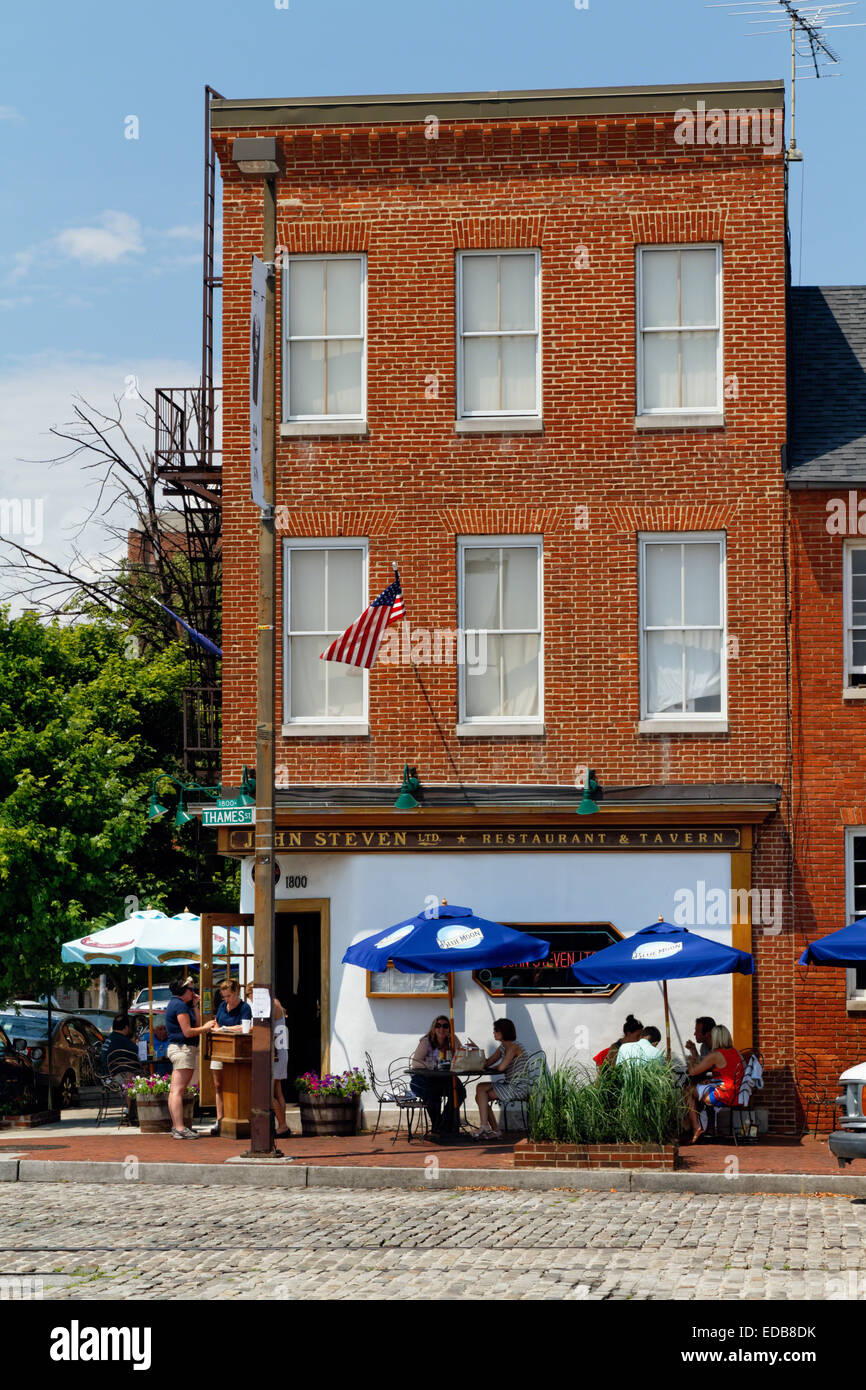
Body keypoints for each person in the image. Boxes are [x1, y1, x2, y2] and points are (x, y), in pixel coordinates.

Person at [164, 977, 215, 1140]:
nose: (193, 992)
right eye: (190, 990)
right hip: (182, 1049)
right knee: (178, 1090)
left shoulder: (180, 1004)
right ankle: (179, 1127)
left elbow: (196, 1023)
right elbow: (188, 1031)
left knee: (175, 1090)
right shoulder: (178, 1005)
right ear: (183, 992)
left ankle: (177, 1127)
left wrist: (194, 1005)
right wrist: (206, 1028)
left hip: (180, 1048)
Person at [684, 1024, 745, 1142]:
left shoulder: (716, 1055)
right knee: (700, 1088)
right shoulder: (734, 1051)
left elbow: (692, 1072)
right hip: (736, 1093)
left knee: (688, 1090)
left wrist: (690, 1061)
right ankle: (707, 1127)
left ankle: (696, 1127)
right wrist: (713, 1081)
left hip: (723, 1095)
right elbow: (729, 1074)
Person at [244, 983, 291, 1137]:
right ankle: (282, 1124)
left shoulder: (271, 1005)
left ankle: (282, 1125)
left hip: (276, 1052)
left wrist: (243, 1028)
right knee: (278, 1090)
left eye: (250, 997)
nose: (251, 1001)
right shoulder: (276, 1003)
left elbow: (263, 1027)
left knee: (268, 1093)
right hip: (281, 1050)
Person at [209, 979, 253, 1137]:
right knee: (218, 1085)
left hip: (236, 1051)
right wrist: (217, 1028)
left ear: (236, 992)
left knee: (234, 1085)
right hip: (220, 1049)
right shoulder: (222, 1006)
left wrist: (225, 1028)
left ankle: (235, 1117)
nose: (226, 999)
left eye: (228, 996)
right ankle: (219, 1119)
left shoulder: (245, 1007)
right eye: (224, 996)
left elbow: (245, 1026)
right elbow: (216, 1023)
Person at [410, 1015, 465, 1136]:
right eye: (438, 1025)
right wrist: (432, 1064)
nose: (442, 1029)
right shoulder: (426, 1041)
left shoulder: (451, 1041)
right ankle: (438, 1125)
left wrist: (454, 1038)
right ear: (434, 1028)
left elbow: (462, 1055)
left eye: (445, 1026)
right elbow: (415, 1063)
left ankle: (444, 1123)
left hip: (444, 1077)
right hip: (423, 1079)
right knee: (432, 1094)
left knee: (460, 1092)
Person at [474, 1018, 527, 1140]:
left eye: (496, 1030)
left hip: (518, 1087)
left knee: (481, 1091)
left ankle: (486, 1127)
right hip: (509, 1084)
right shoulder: (503, 1047)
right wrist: (476, 1051)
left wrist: (494, 1066)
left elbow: (502, 1066)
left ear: (504, 1031)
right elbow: (487, 1063)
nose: (494, 1032)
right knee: (480, 1092)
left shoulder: (514, 1047)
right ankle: (491, 1129)